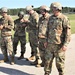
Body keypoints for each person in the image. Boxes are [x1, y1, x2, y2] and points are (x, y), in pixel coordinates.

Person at [44, 2, 71, 75]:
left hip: (59, 45)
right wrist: (46, 41)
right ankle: (46, 73)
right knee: (47, 61)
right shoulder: (50, 18)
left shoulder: (64, 18)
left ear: (57, 9)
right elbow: (47, 30)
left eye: (53, 8)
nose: (52, 10)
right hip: (49, 45)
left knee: (59, 63)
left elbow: (67, 32)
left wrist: (65, 44)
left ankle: (61, 73)